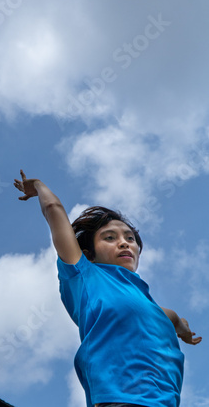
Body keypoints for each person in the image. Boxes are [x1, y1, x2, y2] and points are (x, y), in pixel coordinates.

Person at [14, 170, 202, 407]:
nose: (124, 242)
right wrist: (39, 186)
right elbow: (54, 209)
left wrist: (184, 331)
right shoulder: (85, 275)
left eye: (130, 238)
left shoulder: (155, 309)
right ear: (88, 255)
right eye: (110, 237)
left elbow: (173, 319)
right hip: (119, 402)